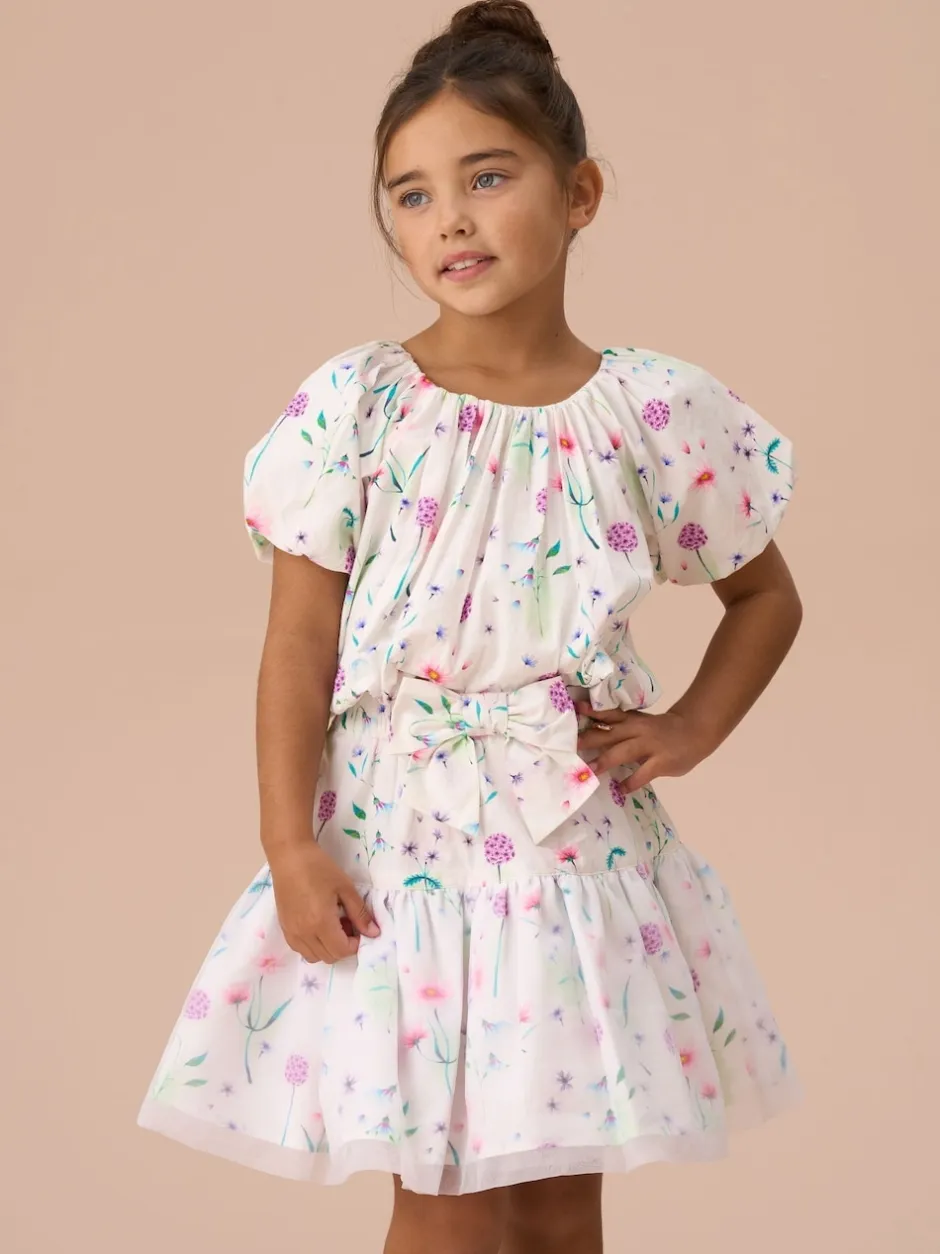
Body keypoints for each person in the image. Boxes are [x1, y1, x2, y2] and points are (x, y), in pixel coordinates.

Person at [137, 2, 804, 1250]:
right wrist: (288, 843)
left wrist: (691, 727)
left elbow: (766, 596)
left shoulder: (652, 411)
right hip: (405, 847)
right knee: (442, 1189)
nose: (449, 218)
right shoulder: (359, 405)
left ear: (579, 193)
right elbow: (298, 644)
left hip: (570, 851)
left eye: (487, 178)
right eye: (411, 194)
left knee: (558, 1196)